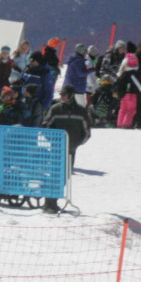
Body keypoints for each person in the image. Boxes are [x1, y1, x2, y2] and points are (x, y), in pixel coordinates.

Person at [40, 84, 91, 213]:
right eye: (61, 94)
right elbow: (45, 126)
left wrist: (76, 143)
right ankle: (49, 203)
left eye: (64, 94)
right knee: (54, 175)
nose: (62, 97)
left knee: (64, 176)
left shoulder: (80, 111)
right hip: (57, 148)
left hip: (71, 149)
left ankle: (53, 202)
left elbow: (87, 131)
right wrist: (53, 140)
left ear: (71, 95)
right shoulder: (55, 109)